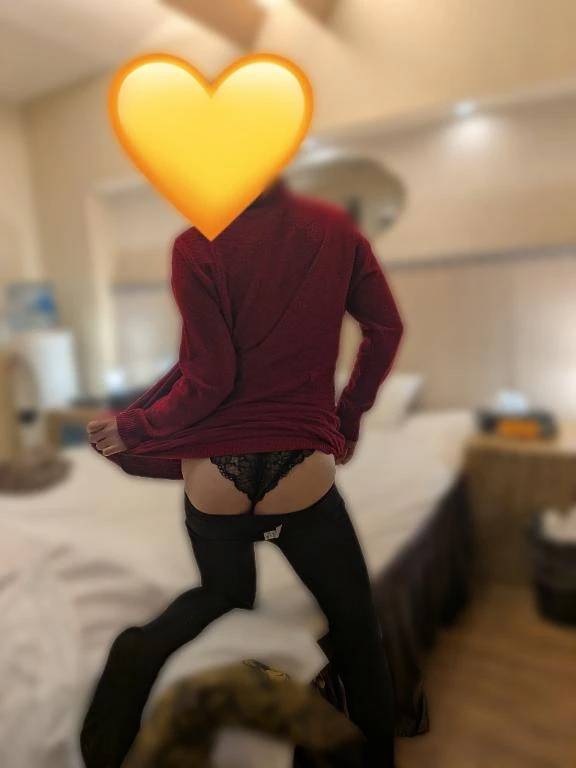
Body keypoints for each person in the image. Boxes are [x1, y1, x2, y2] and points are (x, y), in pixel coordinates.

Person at [80, 175, 404, 767]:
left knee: (222, 592)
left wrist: (136, 426)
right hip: (300, 467)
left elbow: (209, 376)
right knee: (356, 624)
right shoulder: (336, 229)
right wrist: (348, 420)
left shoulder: (194, 244)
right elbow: (385, 332)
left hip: (216, 476)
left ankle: (137, 658)